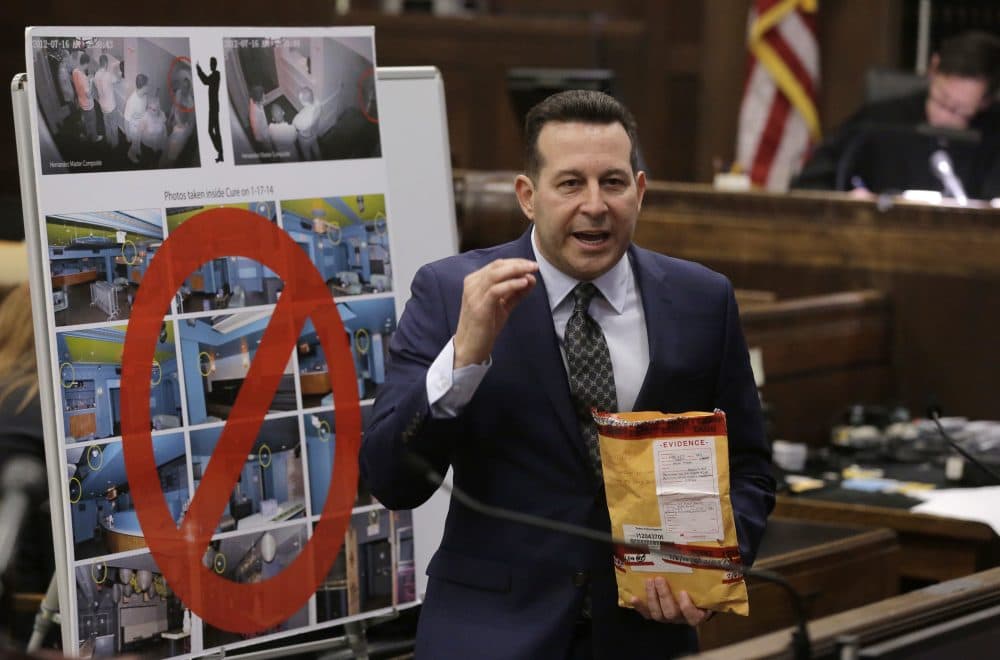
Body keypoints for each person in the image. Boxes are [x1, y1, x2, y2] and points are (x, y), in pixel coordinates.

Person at [360, 90, 775, 659]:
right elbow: (392, 477)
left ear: (640, 190)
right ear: (528, 197)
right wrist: (464, 358)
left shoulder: (702, 300)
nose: (596, 205)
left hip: (646, 636)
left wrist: (710, 566)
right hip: (490, 635)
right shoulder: (453, 292)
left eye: (613, 182)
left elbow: (749, 469)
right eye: (571, 183)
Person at [793, 30, 1000, 198]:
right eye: (941, 100)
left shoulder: (993, 137)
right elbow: (810, 184)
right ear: (934, 69)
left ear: (985, 102)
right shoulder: (878, 121)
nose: (944, 118)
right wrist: (849, 201)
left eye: (959, 111)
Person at [196, 57, 224, 163]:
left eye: (211, 64)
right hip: (213, 107)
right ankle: (220, 153)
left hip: (214, 108)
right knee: (215, 131)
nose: (210, 65)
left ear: (214, 65)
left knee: (212, 131)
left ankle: (220, 151)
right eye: (210, 64)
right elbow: (206, 80)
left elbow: (205, 81)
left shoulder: (216, 74)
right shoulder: (215, 75)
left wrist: (199, 70)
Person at [93, 54, 121, 149]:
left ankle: (108, 141)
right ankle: (115, 144)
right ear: (105, 63)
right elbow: (118, 80)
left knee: (107, 124)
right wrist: (118, 72)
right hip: (111, 106)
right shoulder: (108, 75)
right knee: (114, 126)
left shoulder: (96, 75)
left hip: (102, 106)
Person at [71, 52, 99, 143]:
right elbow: (89, 95)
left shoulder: (75, 71)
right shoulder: (83, 77)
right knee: (92, 121)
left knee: (86, 120)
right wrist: (90, 81)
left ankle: (88, 133)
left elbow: (78, 84)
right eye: (88, 64)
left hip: (81, 102)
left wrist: (87, 78)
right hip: (88, 104)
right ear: (86, 63)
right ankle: (94, 138)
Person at [123, 73, 149, 164]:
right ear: (144, 86)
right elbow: (126, 120)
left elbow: (144, 107)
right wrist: (127, 135)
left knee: (138, 139)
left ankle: (137, 148)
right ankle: (131, 153)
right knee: (135, 141)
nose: (148, 87)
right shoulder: (132, 101)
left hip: (140, 123)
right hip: (134, 127)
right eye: (147, 85)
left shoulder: (144, 95)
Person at [292, 86, 321, 160]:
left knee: (306, 153)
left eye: (300, 100)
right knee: (315, 145)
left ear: (303, 103)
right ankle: (320, 159)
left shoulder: (298, 119)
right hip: (314, 133)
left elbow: (294, 128)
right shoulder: (318, 104)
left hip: (305, 139)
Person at [248, 84, 271, 153]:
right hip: (263, 135)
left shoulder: (255, 100)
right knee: (269, 148)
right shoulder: (254, 116)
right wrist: (264, 142)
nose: (265, 97)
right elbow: (257, 135)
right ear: (258, 101)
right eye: (263, 97)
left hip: (265, 128)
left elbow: (261, 101)